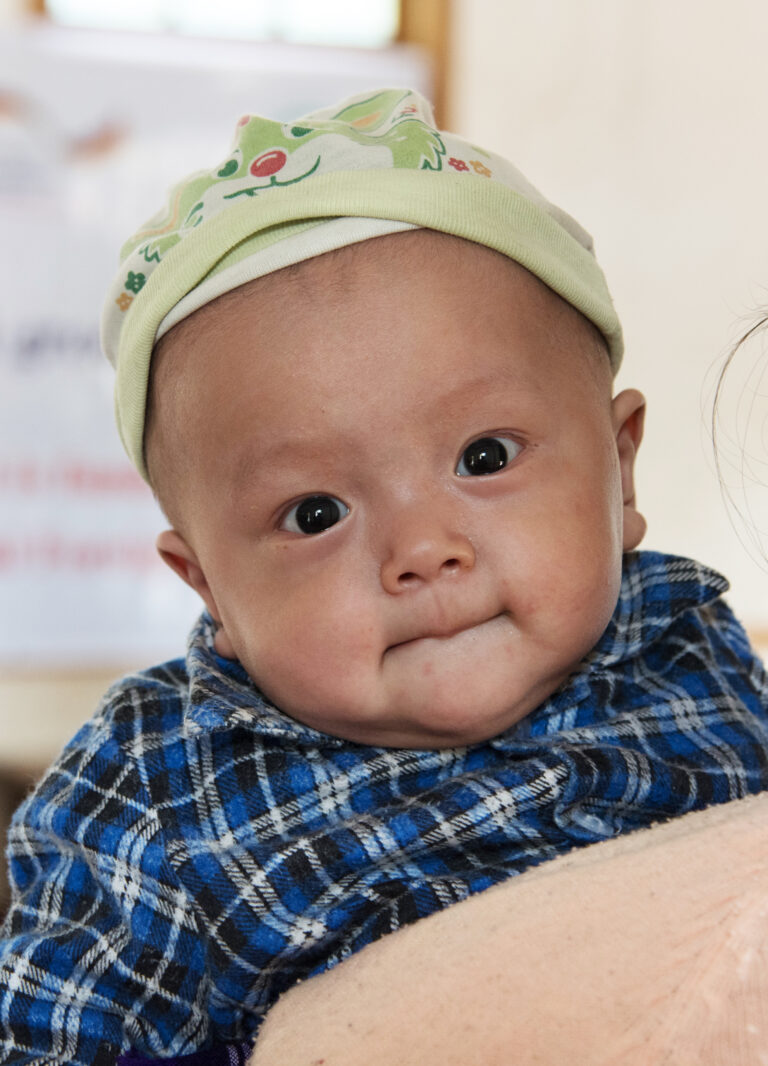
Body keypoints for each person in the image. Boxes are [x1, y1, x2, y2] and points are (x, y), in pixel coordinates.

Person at [1, 87, 767, 1064]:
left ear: (619, 471)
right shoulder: (155, 783)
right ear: (210, 590)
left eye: (484, 457)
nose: (423, 549)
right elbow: (53, 1037)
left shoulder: (688, 648)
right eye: (316, 513)